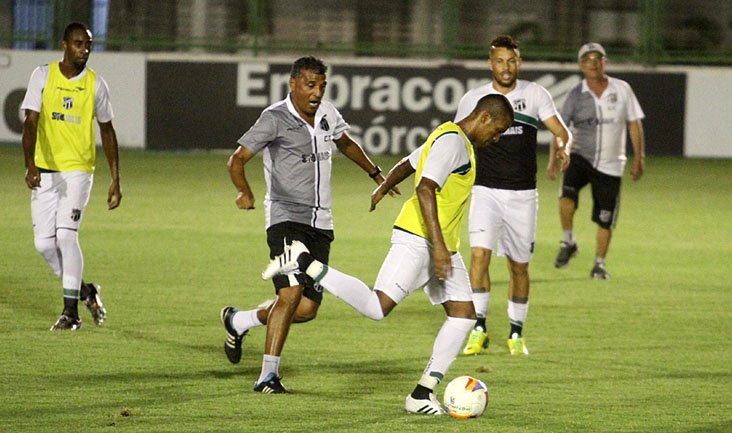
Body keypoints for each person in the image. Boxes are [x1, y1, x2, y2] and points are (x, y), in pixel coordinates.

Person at [262, 94, 513, 414]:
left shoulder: (450, 137)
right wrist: (437, 247)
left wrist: (382, 186)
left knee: (464, 315)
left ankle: (421, 394)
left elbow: (410, 163)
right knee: (377, 307)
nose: (497, 137)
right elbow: (425, 188)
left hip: (441, 245)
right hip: (420, 240)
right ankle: (303, 261)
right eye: (499, 130)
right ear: (485, 118)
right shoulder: (453, 143)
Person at [220, 56, 394, 393]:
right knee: (290, 292)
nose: (317, 92)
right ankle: (267, 376)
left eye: (322, 86)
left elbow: (344, 142)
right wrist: (244, 191)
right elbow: (237, 159)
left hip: (321, 222)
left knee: (307, 308)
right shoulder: (274, 118)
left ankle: (238, 320)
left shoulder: (328, 113)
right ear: (294, 84)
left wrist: (375, 174)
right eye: (310, 85)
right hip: (286, 219)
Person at [454, 35, 571, 356]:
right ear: (491, 64)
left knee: (519, 266)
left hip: (522, 195)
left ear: (519, 63)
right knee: (479, 256)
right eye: (500, 61)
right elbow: (455, 137)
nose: (506, 68)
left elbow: (562, 132)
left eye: (512, 61)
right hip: (484, 191)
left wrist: (563, 148)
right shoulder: (474, 98)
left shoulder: (535, 95)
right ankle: (479, 329)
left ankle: (516, 333)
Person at [21, 22, 119, 331]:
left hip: (78, 171)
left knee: (66, 236)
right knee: (44, 245)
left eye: (88, 45)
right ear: (64, 45)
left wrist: (115, 178)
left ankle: (70, 313)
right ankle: (85, 292)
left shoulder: (95, 84)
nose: (84, 50)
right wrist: (30, 165)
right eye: (78, 44)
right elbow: (30, 123)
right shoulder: (43, 75)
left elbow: (107, 130)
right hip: (45, 172)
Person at [553, 42, 645, 280]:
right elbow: (560, 128)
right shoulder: (576, 94)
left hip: (612, 164)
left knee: (605, 218)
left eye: (597, 58)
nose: (592, 63)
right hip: (581, 155)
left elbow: (634, 123)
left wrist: (639, 157)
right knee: (567, 196)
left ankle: (599, 265)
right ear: (580, 65)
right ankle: (567, 241)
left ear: (605, 62)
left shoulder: (622, 89)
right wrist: (555, 158)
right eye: (587, 59)